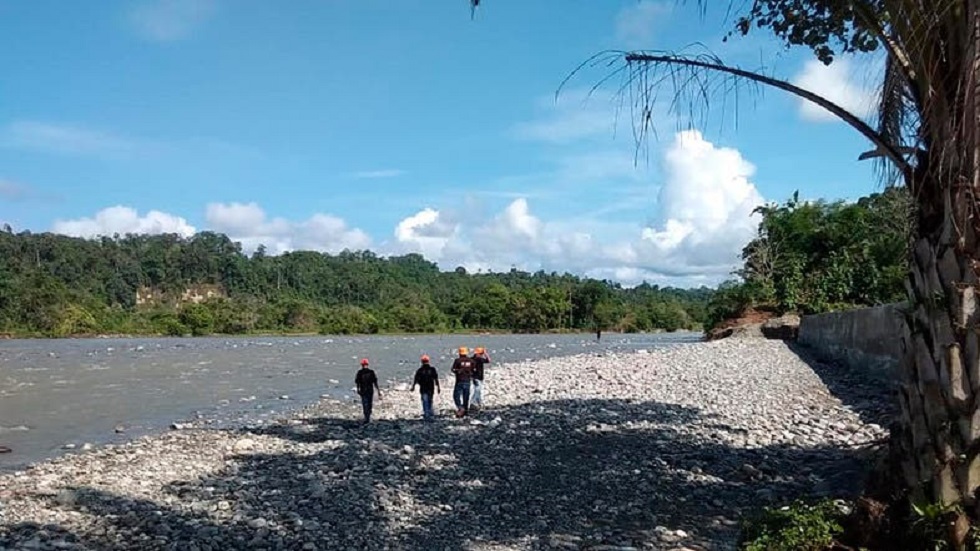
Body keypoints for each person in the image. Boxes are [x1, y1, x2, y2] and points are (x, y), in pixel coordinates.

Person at [411, 354, 440, 421]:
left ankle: (426, 414)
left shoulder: (420, 370)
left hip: (423, 388)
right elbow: (436, 379)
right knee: (430, 400)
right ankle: (430, 412)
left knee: (424, 401)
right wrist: (438, 387)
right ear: (428, 361)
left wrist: (413, 386)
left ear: (422, 361)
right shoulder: (432, 369)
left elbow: (416, 379)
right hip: (431, 387)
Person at [450, 346, 475, 417]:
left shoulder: (457, 361)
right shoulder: (471, 361)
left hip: (459, 381)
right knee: (466, 397)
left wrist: (458, 371)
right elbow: (473, 370)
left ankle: (461, 408)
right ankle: (466, 412)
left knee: (456, 396)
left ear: (460, 353)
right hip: (467, 381)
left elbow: (453, 369)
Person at [354, 358, 381, 423]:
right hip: (369, 390)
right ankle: (368, 417)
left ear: (362, 365)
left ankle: (367, 417)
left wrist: (358, 389)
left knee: (365, 404)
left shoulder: (360, 372)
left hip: (364, 390)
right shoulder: (371, 372)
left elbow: (357, 382)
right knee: (369, 403)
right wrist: (378, 391)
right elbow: (375, 382)